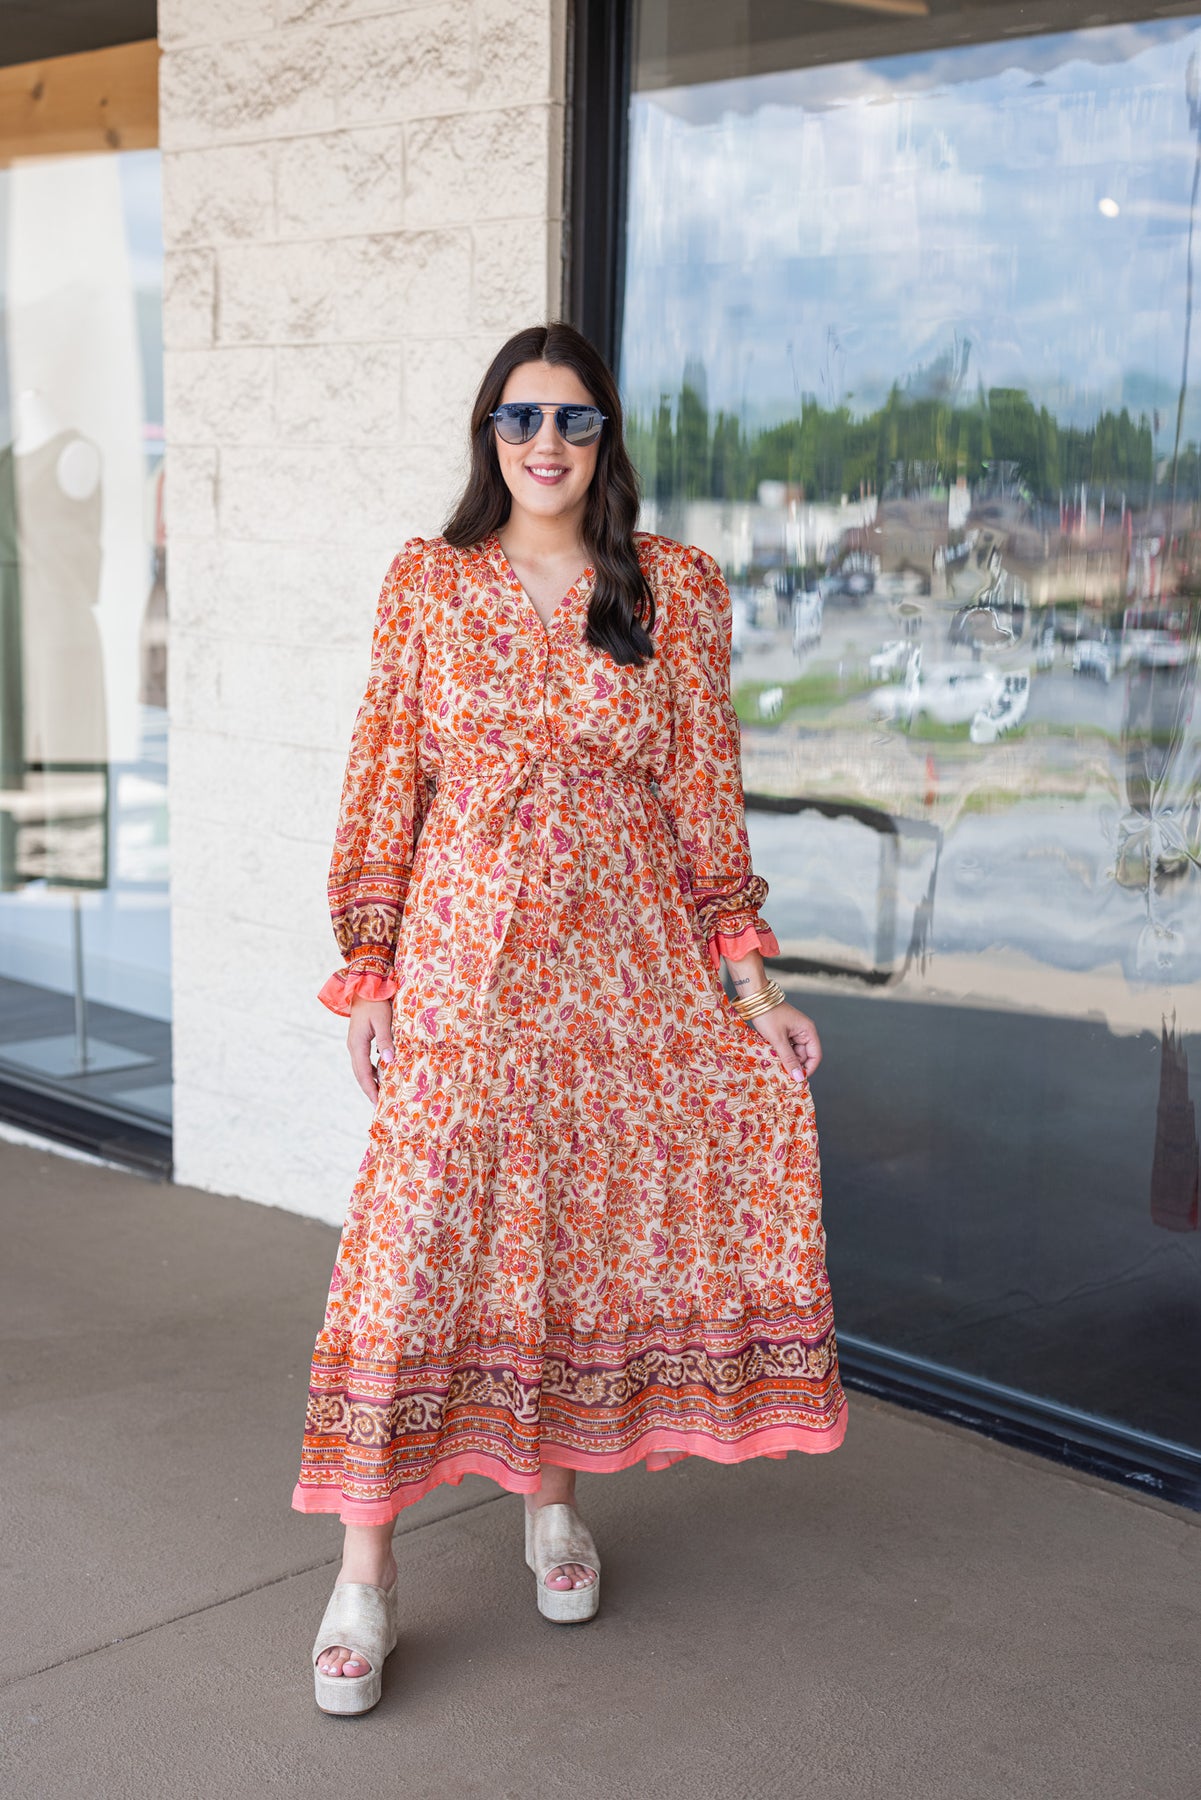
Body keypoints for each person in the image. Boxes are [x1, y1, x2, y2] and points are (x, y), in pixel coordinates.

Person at [292, 322, 847, 1715]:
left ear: (606, 438)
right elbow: (385, 781)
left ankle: (553, 1507)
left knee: (581, 1244)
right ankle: (364, 1575)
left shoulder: (673, 588)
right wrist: (371, 972)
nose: (546, 443)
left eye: (574, 419)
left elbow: (704, 795)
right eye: (521, 418)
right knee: (417, 1244)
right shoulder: (431, 583)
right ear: (490, 434)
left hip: (627, 970)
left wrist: (753, 987)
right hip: (468, 967)